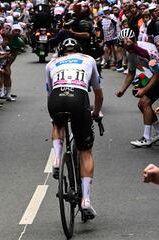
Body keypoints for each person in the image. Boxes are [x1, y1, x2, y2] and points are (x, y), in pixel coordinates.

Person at [46, 38, 104, 219]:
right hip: (79, 98)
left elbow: (49, 92)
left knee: (57, 123)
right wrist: (96, 112)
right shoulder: (88, 59)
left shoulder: (52, 63)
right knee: (85, 150)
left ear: (61, 52)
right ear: (79, 50)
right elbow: (98, 92)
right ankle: (85, 199)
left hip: (56, 98)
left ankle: (56, 158)